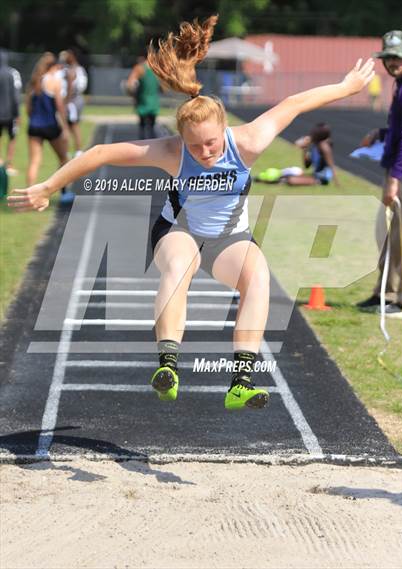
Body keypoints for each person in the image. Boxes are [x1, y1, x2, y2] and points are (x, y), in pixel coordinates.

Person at [8, 16, 375, 410]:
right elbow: (99, 154)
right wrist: (48, 186)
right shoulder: (170, 152)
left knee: (259, 278)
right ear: (181, 139)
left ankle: (241, 382)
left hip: (230, 237)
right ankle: (167, 364)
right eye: (196, 146)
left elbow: (294, 103)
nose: (206, 153)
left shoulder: (248, 141)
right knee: (179, 267)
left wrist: (346, 87)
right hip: (178, 229)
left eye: (212, 143)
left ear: (224, 128)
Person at [357, 31, 402, 313]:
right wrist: (381, 132)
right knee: (388, 232)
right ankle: (387, 292)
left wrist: (394, 178)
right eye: (387, 57)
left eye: (396, 56)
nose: (391, 62)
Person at [25, 52, 70, 196]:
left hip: (34, 126)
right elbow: (60, 106)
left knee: (34, 162)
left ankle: (29, 196)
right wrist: (65, 127)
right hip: (50, 126)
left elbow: (28, 108)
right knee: (64, 158)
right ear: (54, 66)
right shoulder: (54, 81)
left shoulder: (34, 82)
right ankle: (64, 193)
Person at [59, 49, 88, 157]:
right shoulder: (66, 68)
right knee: (69, 125)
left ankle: (78, 150)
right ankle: (71, 150)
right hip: (71, 100)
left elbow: (78, 87)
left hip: (73, 101)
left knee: (72, 125)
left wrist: (66, 100)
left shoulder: (77, 70)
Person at [127, 55, 160, 139]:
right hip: (154, 103)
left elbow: (129, 84)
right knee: (152, 129)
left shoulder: (139, 68)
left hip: (143, 103)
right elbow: (164, 88)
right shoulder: (157, 70)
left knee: (142, 130)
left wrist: (132, 93)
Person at [0, 49, 22, 176]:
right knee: (12, 137)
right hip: (9, 113)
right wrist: (17, 113)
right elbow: (15, 95)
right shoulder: (12, 73)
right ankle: (8, 163)